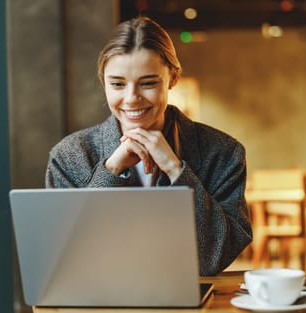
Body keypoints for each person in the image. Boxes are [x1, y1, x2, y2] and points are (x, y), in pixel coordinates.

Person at [45, 16, 252, 276]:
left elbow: (213, 259)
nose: (132, 99)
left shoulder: (223, 153)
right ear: (104, 82)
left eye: (148, 83)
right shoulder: (69, 157)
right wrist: (111, 170)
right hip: (97, 309)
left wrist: (176, 170)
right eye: (118, 84)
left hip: (196, 308)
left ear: (173, 78)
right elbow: (70, 260)